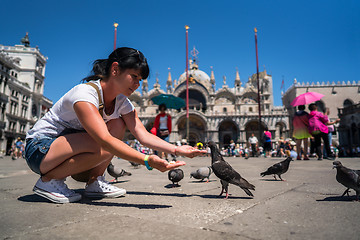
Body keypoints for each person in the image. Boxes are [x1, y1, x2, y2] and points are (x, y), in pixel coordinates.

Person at [24, 47, 206, 204]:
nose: (137, 84)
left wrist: (179, 150)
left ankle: (95, 181)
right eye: (134, 76)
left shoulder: (121, 102)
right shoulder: (85, 94)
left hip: (66, 151)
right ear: (115, 69)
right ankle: (47, 182)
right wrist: (146, 161)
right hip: (39, 150)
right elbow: (104, 140)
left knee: (118, 123)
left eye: (140, 80)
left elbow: (142, 135)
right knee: (104, 141)